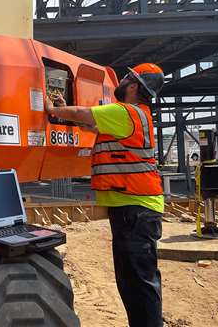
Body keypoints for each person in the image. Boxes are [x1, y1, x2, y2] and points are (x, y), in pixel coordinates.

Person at [45, 63, 164, 327]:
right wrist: (65, 112)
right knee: (133, 281)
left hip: (135, 208)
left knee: (139, 284)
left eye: (125, 78)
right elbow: (90, 125)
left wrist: (53, 110)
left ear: (133, 86)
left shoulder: (125, 112)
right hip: (134, 209)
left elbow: (83, 113)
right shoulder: (133, 115)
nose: (120, 82)